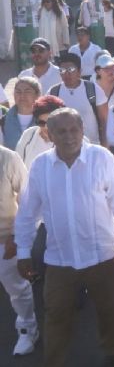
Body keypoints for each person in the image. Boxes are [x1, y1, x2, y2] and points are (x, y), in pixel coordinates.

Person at [14, 108, 114, 367]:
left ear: (83, 130)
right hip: (59, 258)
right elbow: (27, 213)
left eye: (74, 129)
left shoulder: (102, 158)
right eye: (61, 131)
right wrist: (23, 252)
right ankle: (54, 362)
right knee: (55, 314)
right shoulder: (41, 165)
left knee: (110, 311)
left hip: (104, 255)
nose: (69, 136)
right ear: (49, 134)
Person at [0, 141, 37, 356]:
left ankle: (27, 329)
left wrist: (17, 236)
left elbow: (27, 198)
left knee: (17, 288)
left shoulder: (8, 158)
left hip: (4, 239)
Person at [49, 52, 108, 147]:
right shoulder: (53, 92)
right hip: (63, 148)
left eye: (71, 69)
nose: (67, 74)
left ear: (80, 71)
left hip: (92, 146)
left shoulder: (93, 89)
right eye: (62, 70)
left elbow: (105, 120)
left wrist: (105, 144)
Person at [15, 95, 64, 169]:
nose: (46, 127)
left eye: (50, 122)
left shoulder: (71, 139)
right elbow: (17, 164)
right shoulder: (29, 134)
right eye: (42, 123)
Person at [2, 77, 40, 150]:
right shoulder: (3, 121)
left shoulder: (45, 121)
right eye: (18, 92)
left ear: (37, 95)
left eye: (27, 91)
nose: (22, 96)